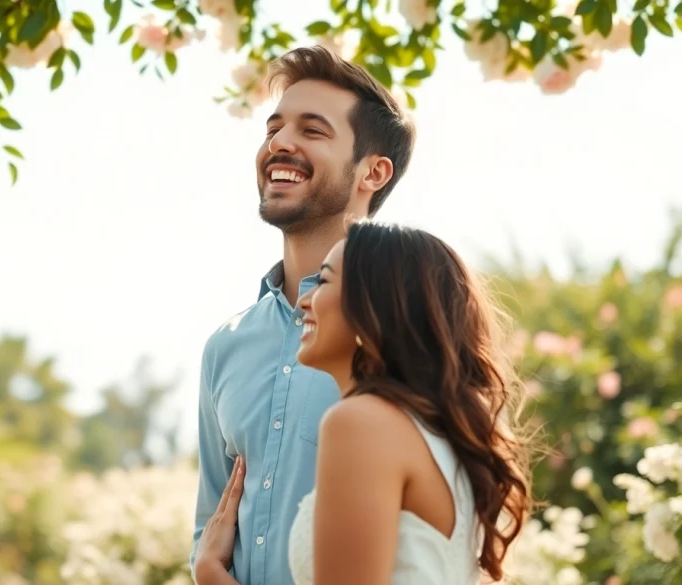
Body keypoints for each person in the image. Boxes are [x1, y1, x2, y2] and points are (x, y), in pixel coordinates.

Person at [195, 220, 534, 585]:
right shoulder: (436, 433)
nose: (305, 300)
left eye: (323, 281)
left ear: (376, 302)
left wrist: (212, 575)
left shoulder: (358, 423)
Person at [189, 45, 417, 585]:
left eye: (312, 131)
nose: (280, 144)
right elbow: (211, 532)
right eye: (273, 128)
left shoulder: (410, 325)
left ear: (373, 172)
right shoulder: (226, 346)